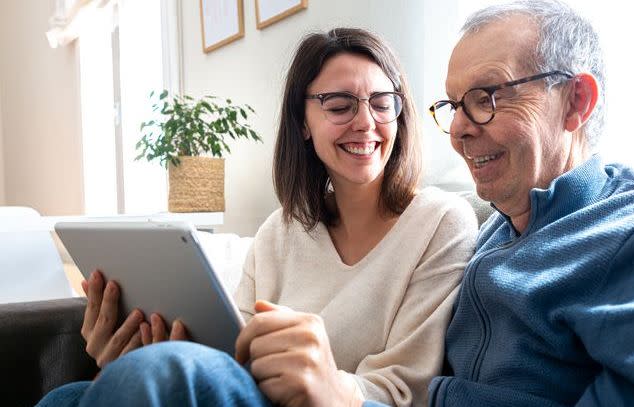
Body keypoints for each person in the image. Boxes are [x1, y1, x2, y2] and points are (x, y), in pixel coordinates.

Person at [37, 28, 478, 407]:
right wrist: (139, 352)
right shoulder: (280, 231)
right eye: (340, 105)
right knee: (69, 396)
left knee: (153, 376)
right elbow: (231, 355)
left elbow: (407, 391)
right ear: (302, 122)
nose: (366, 121)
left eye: (383, 103)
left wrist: (326, 382)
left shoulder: (441, 222)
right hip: (249, 391)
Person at [423, 1, 634, 406]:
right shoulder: (489, 231)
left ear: (576, 101)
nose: (457, 130)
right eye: (454, 105)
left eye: (486, 96)